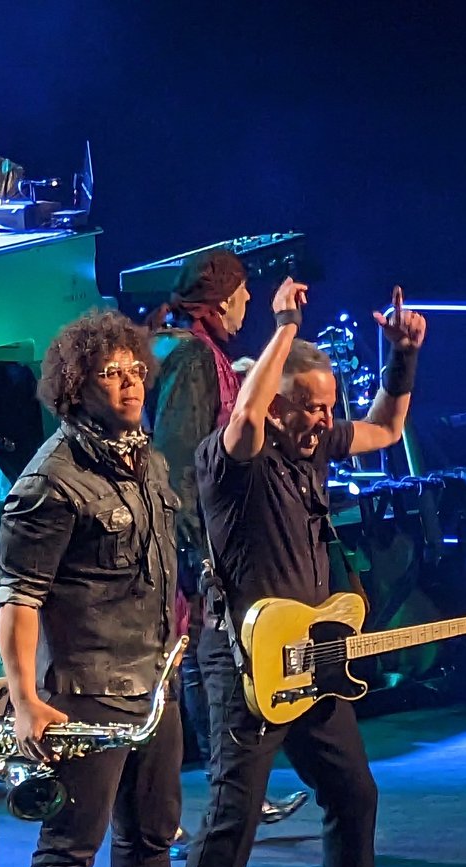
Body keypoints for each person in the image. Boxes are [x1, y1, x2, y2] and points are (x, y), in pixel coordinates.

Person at [0, 310, 244, 867]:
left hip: (152, 682)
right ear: (77, 386)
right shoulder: (51, 482)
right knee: (68, 849)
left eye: (135, 370)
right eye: (111, 373)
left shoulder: (148, 464)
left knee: (149, 838)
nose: (130, 383)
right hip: (86, 692)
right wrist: (25, 700)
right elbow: (18, 601)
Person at [177, 278, 431, 867]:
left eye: (326, 407)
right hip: (243, 659)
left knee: (352, 791)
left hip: (313, 654)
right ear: (276, 404)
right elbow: (246, 412)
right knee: (234, 809)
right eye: (310, 407)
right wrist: (283, 329)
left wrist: (401, 358)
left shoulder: (311, 452)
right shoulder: (233, 459)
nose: (324, 420)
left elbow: (383, 428)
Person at [150, 250, 308, 825]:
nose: (246, 302)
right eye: (242, 293)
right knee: (199, 664)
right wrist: (196, 549)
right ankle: (227, 792)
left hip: (191, 543)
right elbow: (179, 458)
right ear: (220, 301)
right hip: (189, 545)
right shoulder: (192, 355)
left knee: (194, 664)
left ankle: (233, 790)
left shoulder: (193, 349)